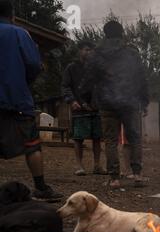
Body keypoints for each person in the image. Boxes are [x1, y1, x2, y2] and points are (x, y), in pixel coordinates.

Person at [0, 0, 63, 202]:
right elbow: (34, 64)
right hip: (17, 100)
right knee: (32, 145)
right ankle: (41, 187)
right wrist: (24, 81)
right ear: (12, 15)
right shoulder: (19, 33)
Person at [79, 21, 149, 189]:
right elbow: (141, 78)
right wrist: (144, 100)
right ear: (122, 33)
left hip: (107, 102)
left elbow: (88, 79)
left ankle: (114, 178)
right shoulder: (132, 54)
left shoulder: (97, 54)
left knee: (110, 140)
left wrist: (85, 98)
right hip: (130, 102)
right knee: (134, 138)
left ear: (105, 34)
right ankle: (138, 175)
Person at [62, 41, 107, 177]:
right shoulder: (72, 68)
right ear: (80, 51)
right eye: (86, 50)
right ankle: (79, 166)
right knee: (78, 138)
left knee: (97, 137)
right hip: (79, 108)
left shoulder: (96, 68)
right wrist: (72, 100)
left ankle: (97, 165)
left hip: (95, 107)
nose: (89, 52)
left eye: (91, 50)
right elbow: (65, 86)